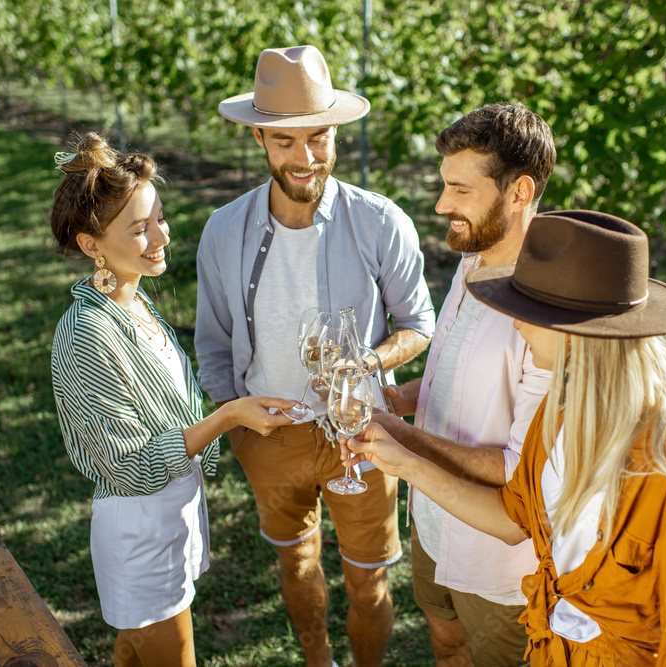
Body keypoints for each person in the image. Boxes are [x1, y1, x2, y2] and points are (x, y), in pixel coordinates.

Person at [345, 210, 666, 665]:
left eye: (529, 312)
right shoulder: (559, 414)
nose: (516, 325)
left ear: (577, 332)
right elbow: (513, 519)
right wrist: (404, 463)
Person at [194, 45, 435, 667]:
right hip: (271, 435)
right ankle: (316, 660)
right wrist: (237, 418)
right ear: (259, 138)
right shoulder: (223, 230)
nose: (306, 158)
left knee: (368, 581)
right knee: (295, 560)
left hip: (364, 434)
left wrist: (370, 365)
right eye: (286, 142)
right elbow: (214, 340)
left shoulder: (383, 223)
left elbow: (418, 325)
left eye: (319, 138)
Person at [49, 132, 294, 667]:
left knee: (135, 651)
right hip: (139, 532)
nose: (161, 234)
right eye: (140, 228)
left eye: (159, 216)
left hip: (172, 513)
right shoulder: (88, 335)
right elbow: (130, 465)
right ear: (92, 245)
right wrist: (228, 416)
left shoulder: (134, 306)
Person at [375, 102, 555, 666]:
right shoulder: (473, 256)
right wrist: (396, 399)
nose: (441, 204)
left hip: (498, 561)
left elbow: (516, 468)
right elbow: (449, 375)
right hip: (430, 521)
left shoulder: (551, 309)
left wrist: (397, 440)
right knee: (445, 643)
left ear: (519, 192)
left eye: (461, 190)